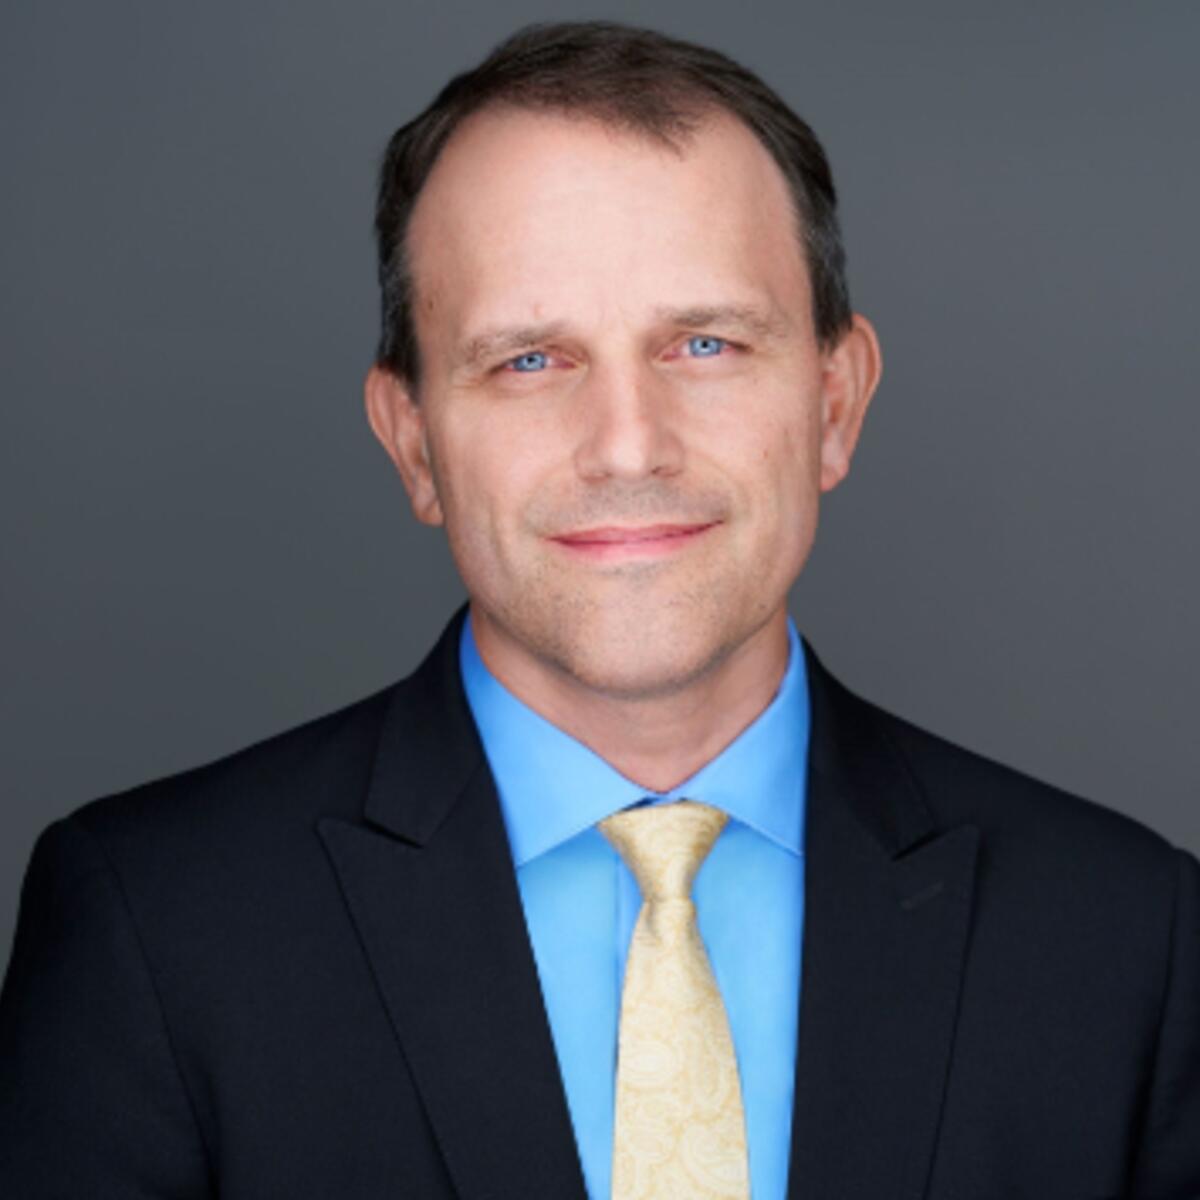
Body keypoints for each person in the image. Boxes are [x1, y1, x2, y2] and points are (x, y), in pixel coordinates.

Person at [1, 20, 1197, 1200]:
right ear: (413, 441)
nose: (628, 444)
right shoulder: (153, 930)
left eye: (707, 343)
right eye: (530, 361)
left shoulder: (1130, 940)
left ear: (835, 403)